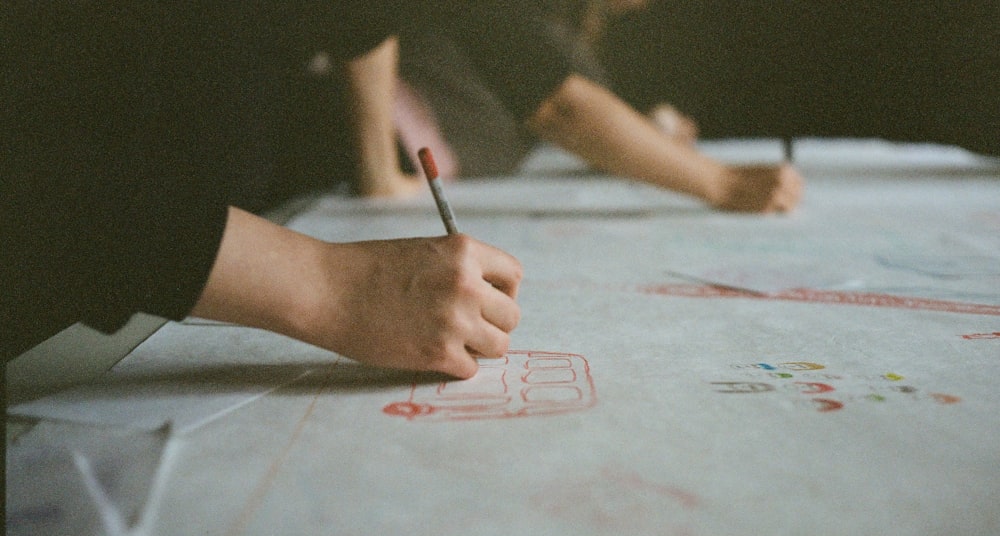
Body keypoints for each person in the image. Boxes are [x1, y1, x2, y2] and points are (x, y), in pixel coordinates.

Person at [2, 3, 522, 381]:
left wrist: (379, 171)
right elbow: (50, 170)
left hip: (204, 252)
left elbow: (360, 23)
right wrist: (341, 289)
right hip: (58, 308)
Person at [388, 2, 801, 212]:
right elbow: (564, 111)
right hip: (392, 169)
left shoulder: (566, 27)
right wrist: (725, 183)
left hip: (429, 187)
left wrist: (645, 133)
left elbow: (591, 121)